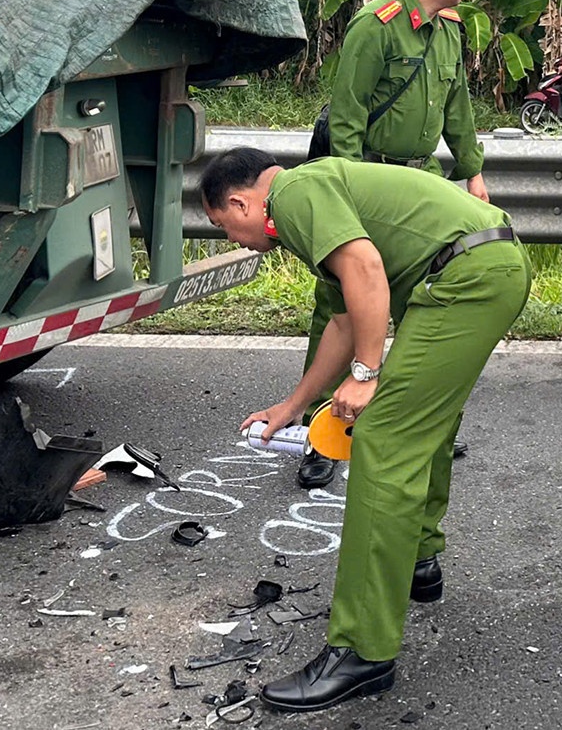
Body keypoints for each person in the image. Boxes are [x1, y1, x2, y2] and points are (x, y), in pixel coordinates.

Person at [201, 148, 530, 711]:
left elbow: (366, 271)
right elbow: (346, 320)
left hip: (466, 278)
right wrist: (294, 404)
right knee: (424, 423)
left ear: (240, 202)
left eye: (222, 226)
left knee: (385, 439)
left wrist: (366, 374)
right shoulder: (314, 209)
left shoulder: (296, 194)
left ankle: (362, 651)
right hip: (481, 268)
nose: (231, 238)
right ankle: (418, 562)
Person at [297, 0, 487, 490]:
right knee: (340, 305)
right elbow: (348, 118)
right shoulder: (374, 27)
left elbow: (458, 109)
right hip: (367, 180)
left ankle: (400, 426)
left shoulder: (448, 30)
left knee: (414, 307)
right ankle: (319, 430)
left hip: (420, 185)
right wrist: (349, 195)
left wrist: (472, 173)